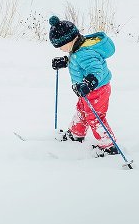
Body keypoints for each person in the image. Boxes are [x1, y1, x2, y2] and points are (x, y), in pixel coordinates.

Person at [48, 15, 120, 157]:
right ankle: (76, 133)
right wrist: (65, 61)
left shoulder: (84, 53)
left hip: (97, 90)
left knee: (94, 116)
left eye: (60, 46)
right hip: (86, 91)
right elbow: (78, 62)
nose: (61, 49)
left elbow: (96, 69)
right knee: (81, 110)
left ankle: (108, 146)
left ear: (68, 40)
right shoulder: (78, 49)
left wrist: (89, 82)